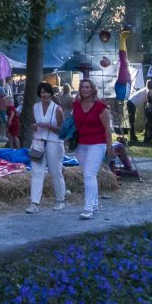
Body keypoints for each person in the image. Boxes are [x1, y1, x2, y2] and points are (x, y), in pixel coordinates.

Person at [71, 79, 114, 219]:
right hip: (81, 143)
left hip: (97, 143)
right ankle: (94, 204)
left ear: (92, 89)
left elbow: (107, 129)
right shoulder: (76, 105)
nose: (84, 89)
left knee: (89, 174)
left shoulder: (101, 106)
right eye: (82, 87)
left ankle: (88, 208)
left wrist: (109, 147)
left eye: (87, 87)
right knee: (88, 174)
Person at [26, 82, 66, 214]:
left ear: (51, 93)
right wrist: (34, 126)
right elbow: (32, 121)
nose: (45, 95)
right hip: (38, 142)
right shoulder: (35, 107)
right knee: (37, 173)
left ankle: (60, 200)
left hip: (54, 143)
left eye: (47, 92)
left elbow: (62, 130)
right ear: (40, 94)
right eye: (43, 92)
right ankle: (34, 203)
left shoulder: (57, 109)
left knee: (55, 171)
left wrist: (48, 126)